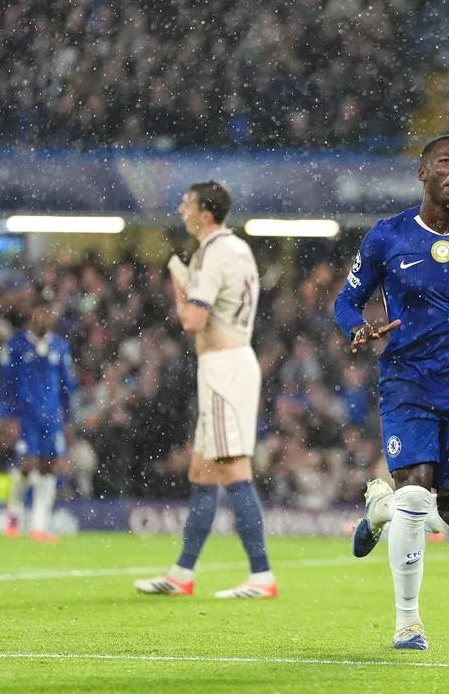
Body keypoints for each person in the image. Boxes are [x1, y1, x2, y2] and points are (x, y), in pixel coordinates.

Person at [334, 135, 449, 650]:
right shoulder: (387, 236)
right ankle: (408, 622)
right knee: (415, 494)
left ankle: (380, 509)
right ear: (423, 173)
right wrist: (357, 328)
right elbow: (346, 301)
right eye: (447, 162)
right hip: (407, 381)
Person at [134, 180, 275, 599]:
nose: (181, 209)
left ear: (206, 213)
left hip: (224, 368)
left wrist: (180, 291)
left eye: (187, 203)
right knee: (201, 470)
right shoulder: (238, 248)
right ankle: (183, 572)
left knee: (233, 469)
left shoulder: (213, 252)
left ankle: (262, 575)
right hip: (232, 362)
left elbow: (193, 321)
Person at [0, 296, 77, 542]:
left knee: (48, 466)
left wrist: (68, 418)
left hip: (51, 417)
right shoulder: (17, 345)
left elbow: (66, 385)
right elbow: (7, 383)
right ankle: (14, 517)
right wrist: (10, 416)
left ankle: (39, 526)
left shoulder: (59, 346)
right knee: (26, 464)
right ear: (32, 313)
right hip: (26, 416)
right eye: (41, 311)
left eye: (48, 311)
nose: (45, 316)